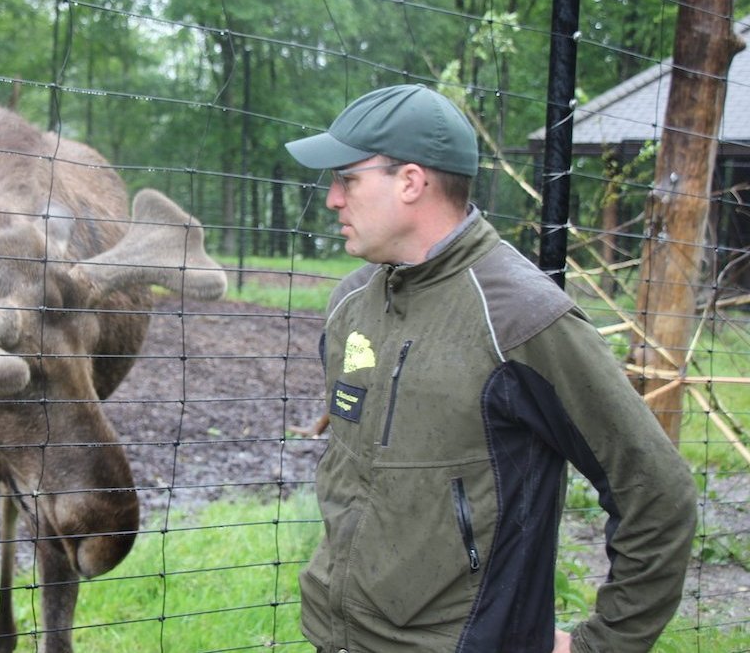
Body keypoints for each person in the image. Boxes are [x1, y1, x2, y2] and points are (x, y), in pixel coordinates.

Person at [284, 84, 697, 653]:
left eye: (347, 179)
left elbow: (657, 492)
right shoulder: (352, 303)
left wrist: (603, 644)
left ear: (410, 181)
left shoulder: (523, 319)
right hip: (338, 638)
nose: (332, 198)